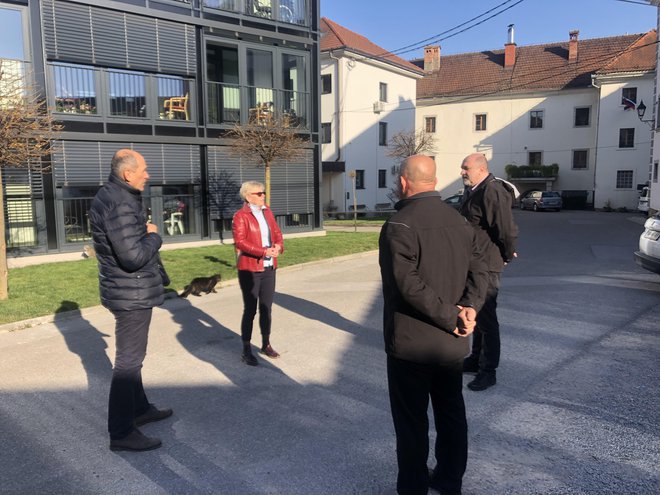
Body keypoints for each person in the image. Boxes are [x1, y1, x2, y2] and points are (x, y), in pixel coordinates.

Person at [379, 155, 488, 495]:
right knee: (451, 413)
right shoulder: (460, 220)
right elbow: (483, 268)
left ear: (403, 182)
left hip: (412, 344)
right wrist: (469, 307)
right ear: (435, 180)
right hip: (451, 343)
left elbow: (405, 284)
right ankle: (449, 480)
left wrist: (455, 313)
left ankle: (413, 487)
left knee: (412, 422)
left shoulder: (398, 225)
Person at [88, 149, 173, 452]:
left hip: (127, 290)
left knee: (133, 359)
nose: (147, 175)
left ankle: (140, 409)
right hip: (130, 292)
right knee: (128, 363)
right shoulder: (119, 202)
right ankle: (122, 433)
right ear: (128, 173)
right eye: (144, 170)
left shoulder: (115, 195)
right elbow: (133, 257)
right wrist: (154, 235)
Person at [459, 153, 519, 391]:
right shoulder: (473, 190)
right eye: (462, 168)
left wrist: (506, 254)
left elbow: (506, 229)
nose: (462, 172)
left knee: (487, 318)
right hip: (473, 263)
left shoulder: (492, 191)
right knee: (478, 314)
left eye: (466, 168)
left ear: (481, 169)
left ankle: (488, 371)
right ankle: (476, 360)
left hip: (486, 265)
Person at [232, 181, 284, 366]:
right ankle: (246, 349)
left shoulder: (267, 212)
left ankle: (266, 344)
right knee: (251, 309)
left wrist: (279, 246)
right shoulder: (240, 216)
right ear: (248, 196)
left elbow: (277, 233)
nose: (263, 196)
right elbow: (240, 242)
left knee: (266, 308)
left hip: (270, 267)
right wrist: (263, 252)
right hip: (250, 269)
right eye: (259, 193)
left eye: (264, 193)